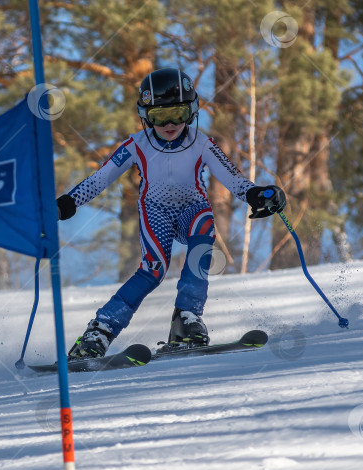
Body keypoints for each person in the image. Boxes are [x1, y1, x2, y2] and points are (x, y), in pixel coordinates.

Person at [56, 67, 286, 361]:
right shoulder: (137, 144)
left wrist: (258, 194)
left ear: (191, 111)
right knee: (153, 270)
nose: (169, 124)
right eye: (159, 116)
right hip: (156, 212)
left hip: (192, 208)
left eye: (177, 113)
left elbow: (234, 180)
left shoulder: (201, 143)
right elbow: (99, 180)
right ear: (146, 116)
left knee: (203, 232)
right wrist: (67, 203)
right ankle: (99, 331)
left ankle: (187, 318)